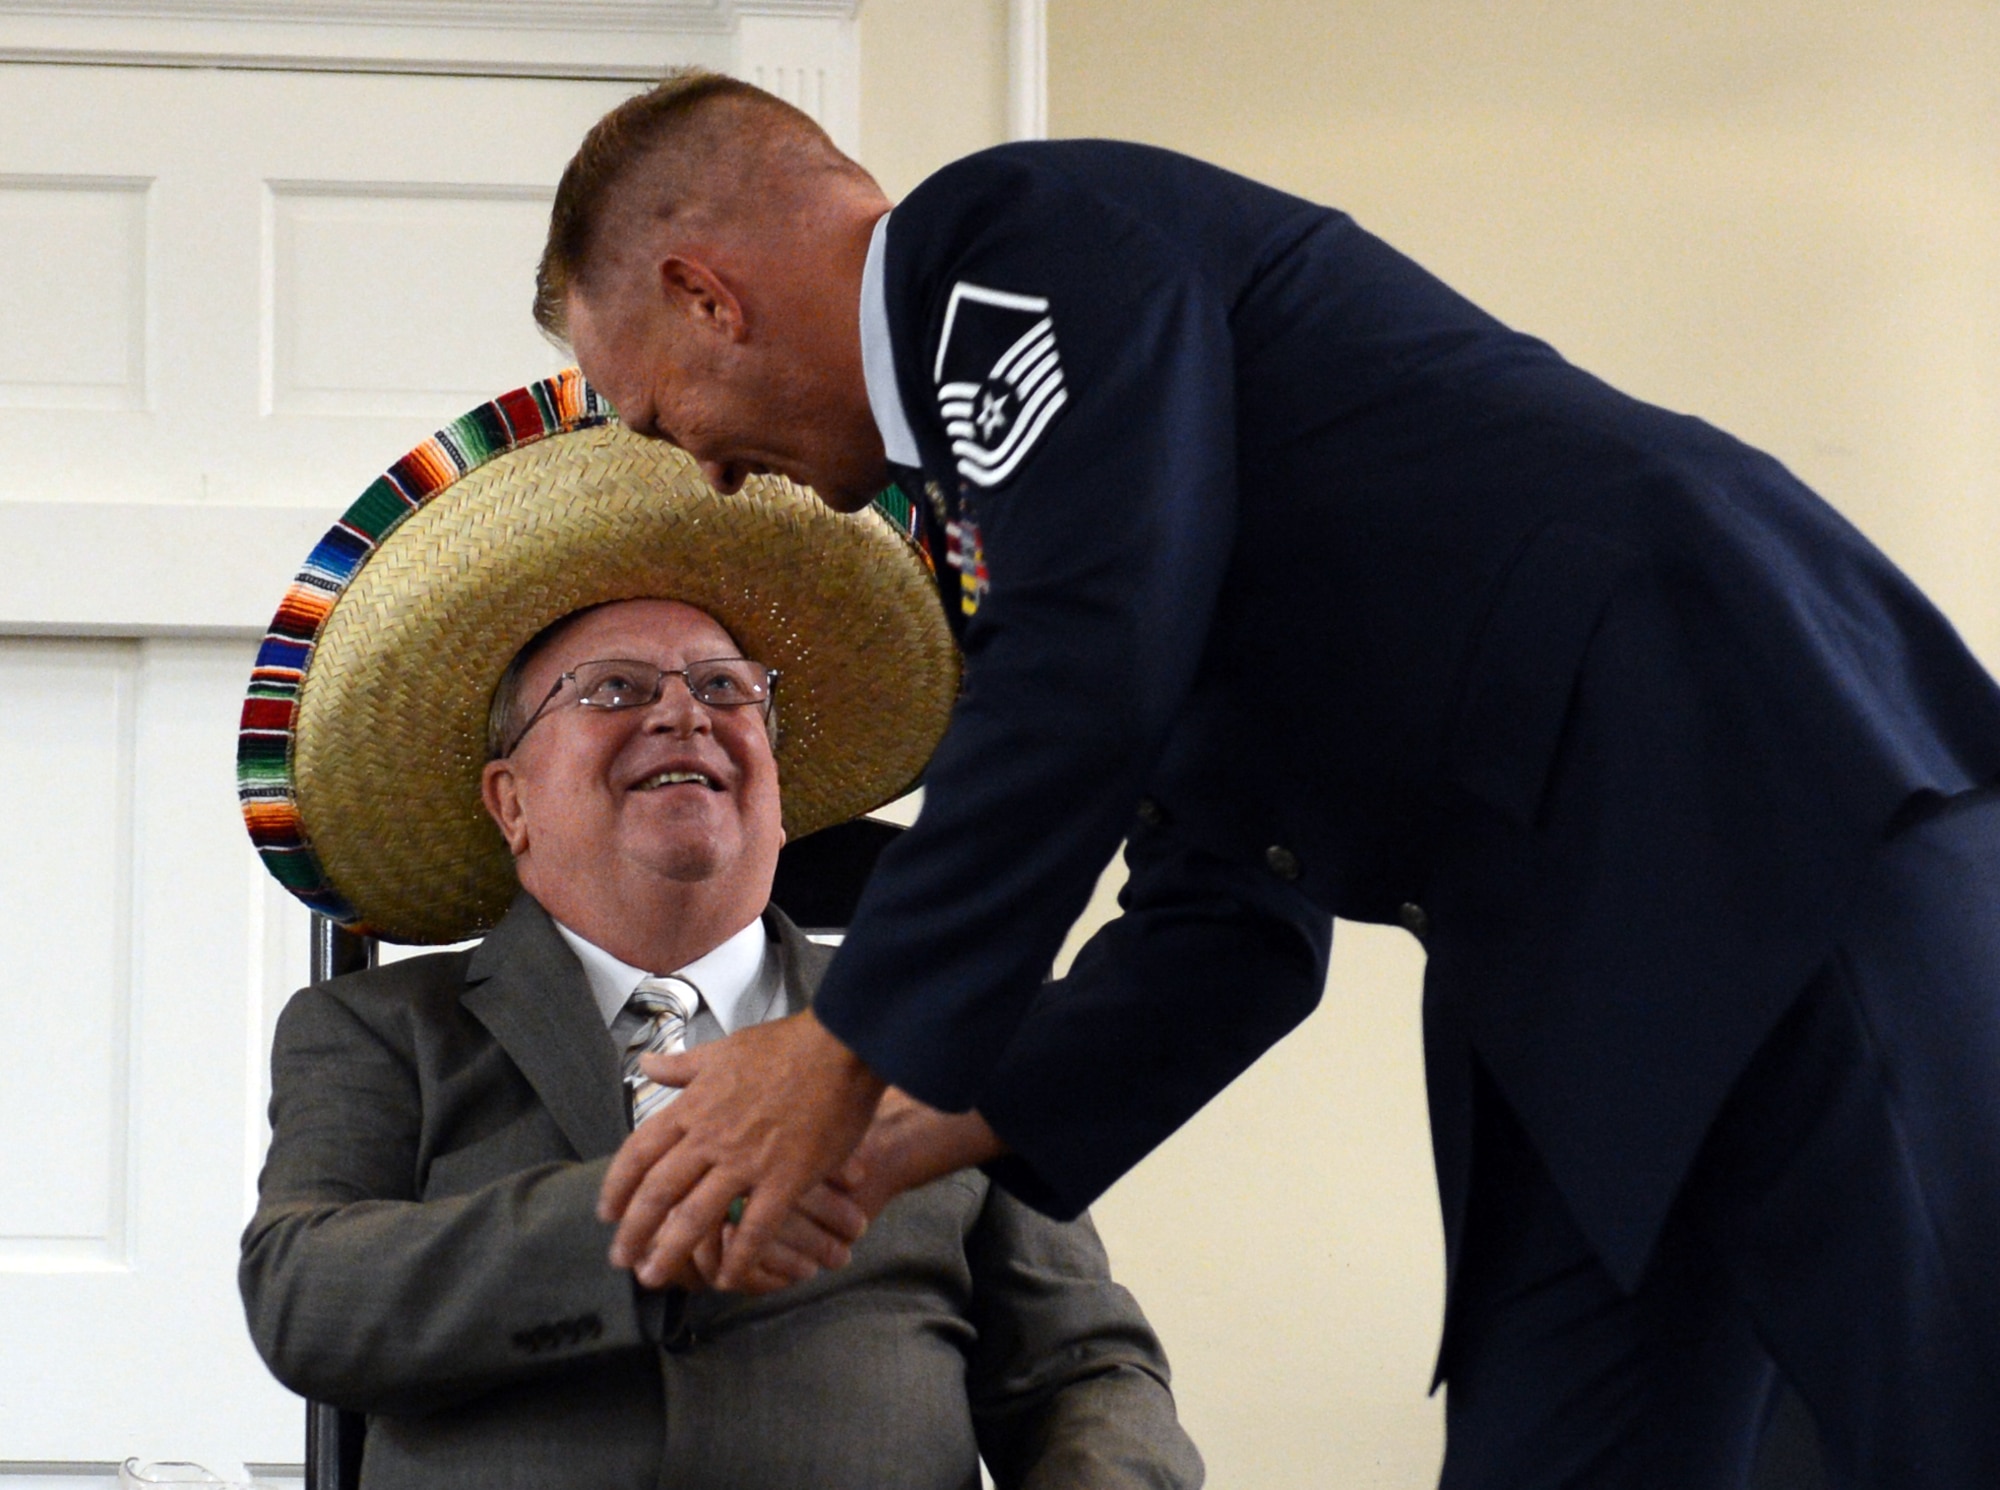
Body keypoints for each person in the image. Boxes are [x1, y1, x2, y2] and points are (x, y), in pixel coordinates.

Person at [531, 72, 2000, 1488]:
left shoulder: (1005, 240)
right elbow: (1231, 923)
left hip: (1751, 811)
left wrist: (842, 1046)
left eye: (656, 415)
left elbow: (1093, 651)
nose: (706, 472)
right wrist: (912, 1134)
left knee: (1946, 1426)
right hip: (1556, 958)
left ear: (705, 295)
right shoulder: (1019, 510)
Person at [234, 380, 1203, 1490]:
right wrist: (653, 1227)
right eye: (611, 689)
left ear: (779, 789)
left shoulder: (933, 1028)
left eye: (725, 687)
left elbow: (1083, 1369)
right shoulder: (378, 1027)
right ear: (510, 800)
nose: (683, 711)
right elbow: (307, 1295)